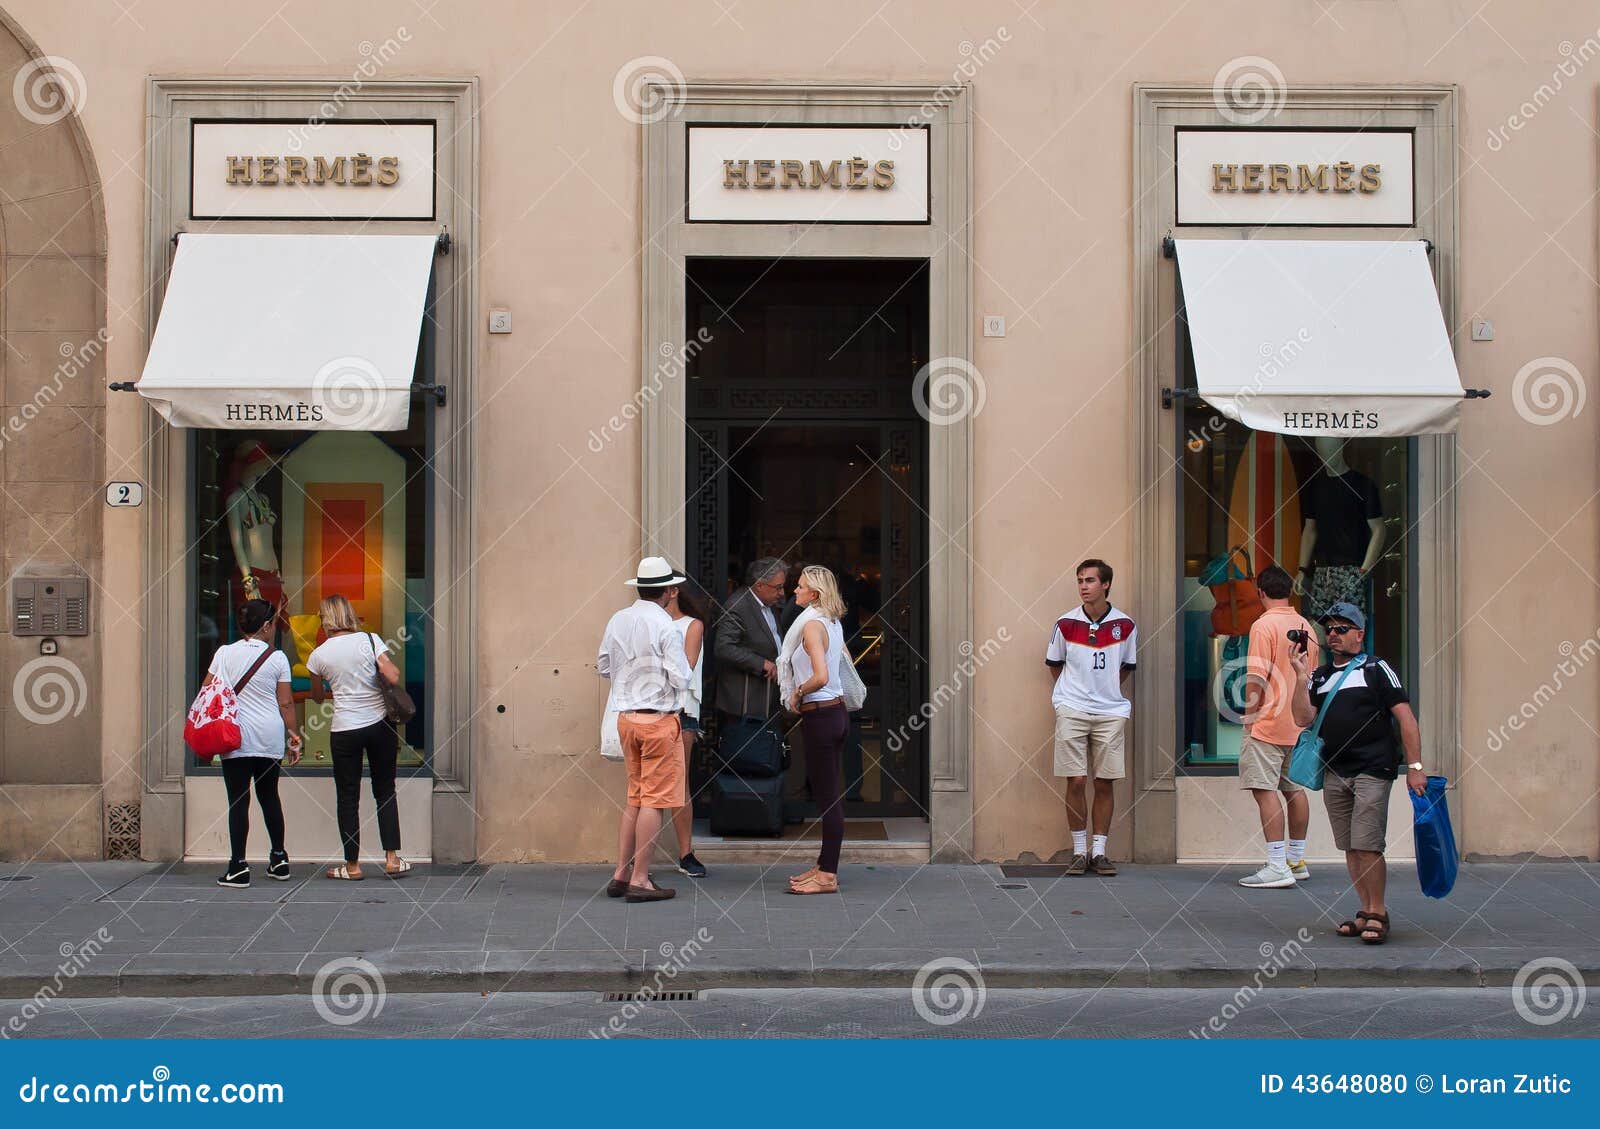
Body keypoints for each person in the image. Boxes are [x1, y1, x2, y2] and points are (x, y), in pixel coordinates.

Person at [1287, 601, 1427, 944]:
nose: (1332, 635)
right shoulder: (1319, 675)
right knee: (1350, 845)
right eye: (1329, 629)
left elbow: (1406, 719)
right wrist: (1299, 675)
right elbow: (1302, 719)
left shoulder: (1376, 669)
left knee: (1367, 844)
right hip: (1335, 769)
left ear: (1359, 635)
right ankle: (1365, 910)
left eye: (1341, 629)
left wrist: (1415, 767)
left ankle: (1378, 912)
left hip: (1373, 768)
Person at [598, 557, 694, 903]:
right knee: (654, 800)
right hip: (658, 719)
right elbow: (682, 676)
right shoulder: (666, 625)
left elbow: (603, 666)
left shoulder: (618, 619)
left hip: (626, 718)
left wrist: (630, 682)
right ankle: (640, 878)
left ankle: (621, 873)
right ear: (669, 591)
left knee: (635, 798)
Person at [307, 594, 412, 880]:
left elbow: (317, 697)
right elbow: (391, 674)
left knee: (347, 797)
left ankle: (352, 866)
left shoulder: (318, 655)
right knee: (385, 790)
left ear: (325, 620)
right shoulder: (370, 639)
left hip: (345, 729)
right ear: (349, 615)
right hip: (380, 725)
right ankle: (392, 859)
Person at [1045, 559, 1136, 877]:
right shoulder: (1066, 623)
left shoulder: (1125, 625)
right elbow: (1055, 664)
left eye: (1090, 580)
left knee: (1105, 781)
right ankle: (1079, 851)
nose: (1084, 586)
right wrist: (1070, 696)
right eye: (1080, 581)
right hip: (1072, 708)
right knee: (1076, 780)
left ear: (1106, 584)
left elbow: (1126, 667)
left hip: (1110, 711)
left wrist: (1104, 691)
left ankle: (1099, 852)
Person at [207, 599, 300, 888]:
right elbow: (285, 702)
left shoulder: (224, 653)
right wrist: (294, 736)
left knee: (238, 800)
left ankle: (238, 866)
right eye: (274, 622)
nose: (275, 626)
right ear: (266, 626)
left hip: (234, 736)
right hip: (269, 735)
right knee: (269, 796)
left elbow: (208, 690)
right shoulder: (278, 658)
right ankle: (279, 858)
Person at [1237, 565, 1320, 889]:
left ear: (1260, 593)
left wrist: (1249, 713)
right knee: (1294, 789)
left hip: (1267, 724)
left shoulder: (1263, 626)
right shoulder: (1306, 626)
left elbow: (1256, 675)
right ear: (1289, 591)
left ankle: (1275, 865)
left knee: (1264, 790)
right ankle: (1296, 861)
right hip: (1298, 723)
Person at [781, 565, 849, 895]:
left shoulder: (811, 625)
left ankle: (828, 875)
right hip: (834, 714)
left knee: (828, 799)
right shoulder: (832, 623)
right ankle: (824, 865)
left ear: (815, 595)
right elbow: (844, 663)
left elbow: (821, 675)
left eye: (800, 586)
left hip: (821, 716)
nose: (795, 590)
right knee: (829, 794)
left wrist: (797, 692)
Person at [666, 581, 712, 879]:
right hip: (648, 710)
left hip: (681, 711)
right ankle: (637, 856)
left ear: (673, 592)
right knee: (645, 786)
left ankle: (685, 853)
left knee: (679, 784)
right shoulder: (646, 622)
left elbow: (687, 666)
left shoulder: (691, 625)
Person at [714, 556, 789, 728]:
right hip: (745, 702)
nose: (782, 593)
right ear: (760, 585)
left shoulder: (771, 605)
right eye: (778, 587)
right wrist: (762, 663)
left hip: (769, 698)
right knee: (748, 752)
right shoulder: (737, 607)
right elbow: (723, 647)